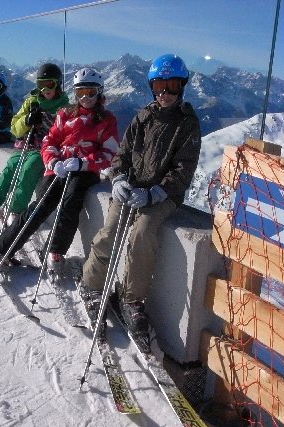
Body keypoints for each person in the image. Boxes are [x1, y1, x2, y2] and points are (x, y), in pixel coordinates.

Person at [78, 54, 202, 351]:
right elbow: (121, 154)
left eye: (172, 86)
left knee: (143, 233)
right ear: (151, 87)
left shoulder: (187, 123)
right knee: (110, 231)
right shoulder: (143, 117)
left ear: (182, 86)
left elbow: (184, 169)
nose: (165, 93)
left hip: (163, 195)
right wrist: (119, 178)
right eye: (159, 86)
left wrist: (156, 192)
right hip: (132, 187)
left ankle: (132, 299)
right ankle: (92, 285)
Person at [0, 67, 118, 272]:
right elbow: (49, 141)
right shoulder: (65, 114)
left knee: (71, 200)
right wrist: (53, 161)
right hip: (60, 167)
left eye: (90, 92)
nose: (85, 98)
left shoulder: (106, 120)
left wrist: (84, 163)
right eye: (80, 92)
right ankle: (2, 249)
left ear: (99, 92)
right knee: (40, 205)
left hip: (85, 171)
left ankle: (56, 250)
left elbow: (109, 152)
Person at [0, 63, 69, 237]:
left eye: (50, 84)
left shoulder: (64, 107)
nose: (45, 89)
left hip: (45, 150)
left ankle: (15, 212)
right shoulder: (31, 101)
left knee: (30, 169)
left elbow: (66, 133)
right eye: (41, 84)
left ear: (58, 84)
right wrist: (27, 120)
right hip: (24, 146)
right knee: (6, 177)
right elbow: (15, 128)